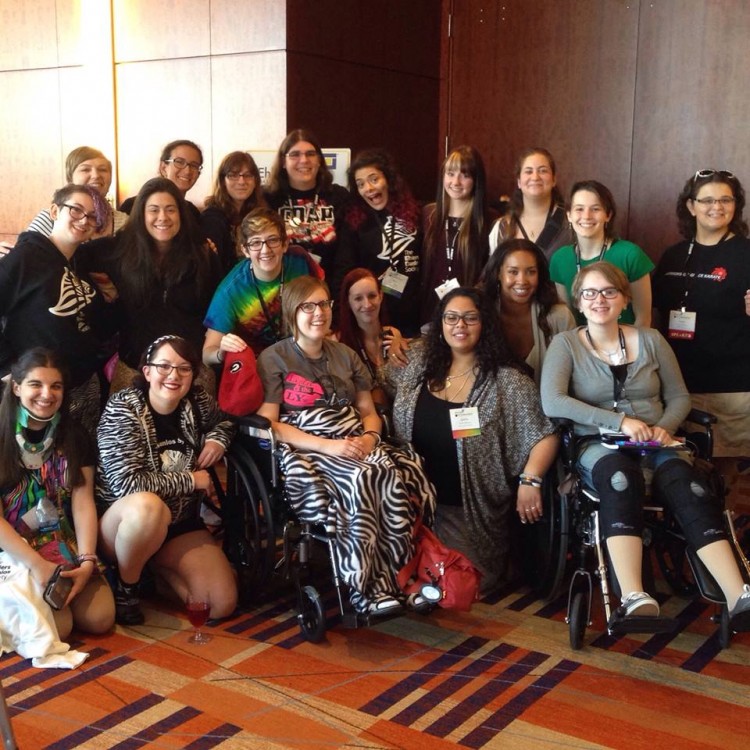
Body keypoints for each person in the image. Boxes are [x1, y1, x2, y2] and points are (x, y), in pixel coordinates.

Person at [541, 261, 750, 626]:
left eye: (609, 292)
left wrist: (661, 428)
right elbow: (554, 402)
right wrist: (621, 421)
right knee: (621, 479)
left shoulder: (652, 340)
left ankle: (738, 594)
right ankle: (634, 596)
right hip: (599, 445)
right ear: (579, 301)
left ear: (624, 299)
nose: (599, 299)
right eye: (590, 292)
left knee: (691, 487)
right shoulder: (565, 344)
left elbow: (680, 398)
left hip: (659, 443)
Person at [256, 276, 435, 615]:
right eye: (308, 306)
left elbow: (369, 412)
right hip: (310, 442)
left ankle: (403, 579)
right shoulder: (274, 358)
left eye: (323, 304)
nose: (318, 313)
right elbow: (269, 423)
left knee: (392, 474)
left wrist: (369, 439)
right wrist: (328, 447)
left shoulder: (346, 355)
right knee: (361, 480)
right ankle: (365, 589)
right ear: (293, 312)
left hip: (353, 435)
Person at [386, 287, 559, 593]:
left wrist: (530, 481)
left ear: (485, 324)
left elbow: (543, 433)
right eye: (451, 317)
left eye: (470, 318)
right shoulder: (417, 366)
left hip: (468, 511)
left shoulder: (508, 381)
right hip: (411, 504)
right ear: (440, 324)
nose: (459, 326)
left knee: (456, 586)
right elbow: (374, 382)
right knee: (392, 580)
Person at [96, 335, 236, 625]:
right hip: (124, 524)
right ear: (146, 371)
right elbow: (127, 485)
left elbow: (227, 419)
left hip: (178, 523)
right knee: (148, 506)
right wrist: (191, 481)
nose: (174, 375)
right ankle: (127, 589)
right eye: (164, 366)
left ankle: (150, 573)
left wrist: (217, 440)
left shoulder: (197, 402)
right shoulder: (123, 409)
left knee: (219, 605)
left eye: (184, 368)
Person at [0, 348, 115, 640]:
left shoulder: (75, 436)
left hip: (58, 540)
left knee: (100, 619)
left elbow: (82, 502)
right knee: (59, 629)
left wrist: (87, 560)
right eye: (35, 384)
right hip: (10, 548)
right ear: (16, 387)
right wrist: (36, 565)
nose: (46, 394)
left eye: (56, 386)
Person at [653, 169, 750, 479]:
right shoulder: (673, 256)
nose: (716, 207)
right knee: (679, 469)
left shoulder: (746, 254)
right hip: (675, 384)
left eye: (725, 200)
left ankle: (726, 526)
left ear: (736, 206)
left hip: (730, 385)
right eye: (707, 200)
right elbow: (654, 316)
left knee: (723, 472)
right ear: (691, 206)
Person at [0, 184, 118, 433]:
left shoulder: (82, 266)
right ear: (55, 211)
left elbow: (98, 328)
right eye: (76, 210)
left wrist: (112, 299)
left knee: (74, 465)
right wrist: (8, 367)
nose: (84, 220)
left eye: (93, 216)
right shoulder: (26, 257)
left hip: (81, 387)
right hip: (37, 391)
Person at [87, 177, 222, 393]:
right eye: (154, 210)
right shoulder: (117, 252)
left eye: (170, 210)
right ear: (141, 214)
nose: (162, 217)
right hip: (134, 369)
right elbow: (72, 252)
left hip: (190, 372)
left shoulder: (202, 255)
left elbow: (217, 312)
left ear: (181, 214)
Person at [202, 207, 323, 364]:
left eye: (272, 240)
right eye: (256, 243)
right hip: (259, 365)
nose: (265, 250)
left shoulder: (300, 260)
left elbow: (322, 298)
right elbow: (207, 354)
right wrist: (221, 352)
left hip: (305, 353)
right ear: (245, 250)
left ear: (285, 244)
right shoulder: (230, 291)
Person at [334, 149, 422, 335]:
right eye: (361, 184)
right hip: (373, 312)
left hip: (414, 313)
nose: (369, 188)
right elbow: (345, 270)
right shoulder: (355, 223)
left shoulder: (416, 213)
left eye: (374, 179)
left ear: (388, 179)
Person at [550, 180, 654, 326]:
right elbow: (566, 319)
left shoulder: (630, 255)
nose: (586, 216)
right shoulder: (560, 259)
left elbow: (643, 319)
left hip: (624, 344)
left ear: (608, 215)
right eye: (579, 209)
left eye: (595, 209)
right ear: (568, 215)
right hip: (578, 345)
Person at [480, 238, 575, 385]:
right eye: (513, 272)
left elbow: (575, 375)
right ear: (498, 273)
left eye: (531, 272)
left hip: (549, 406)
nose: (522, 280)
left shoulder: (559, 316)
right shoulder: (480, 315)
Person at [265, 129, 349, 285]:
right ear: (283, 162)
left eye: (310, 154)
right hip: (280, 290)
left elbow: (345, 256)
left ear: (319, 160)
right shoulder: (268, 198)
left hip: (327, 289)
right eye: (295, 154)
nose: (304, 160)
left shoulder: (338, 196)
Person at [420, 145, 494, 324]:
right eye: (450, 173)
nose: (456, 182)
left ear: (476, 180)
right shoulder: (428, 214)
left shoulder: (490, 220)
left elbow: (491, 274)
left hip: (469, 315)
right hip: (429, 312)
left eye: (465, 175)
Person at [336, 268, 408, 406]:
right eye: (358, 298)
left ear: (381, 296)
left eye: (372, 296)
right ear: (348, 302)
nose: (367, 304)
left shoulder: (393, 334)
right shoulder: (338, 342)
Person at [26, 146, 127, 239]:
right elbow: (25, 254)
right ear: (70, 178)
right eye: (85, 169)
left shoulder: (125, 223)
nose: (96, 175)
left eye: (103, 170)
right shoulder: (51, 218)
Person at [488, 147, 569, 259]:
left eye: (543, 171)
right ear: (519, 182)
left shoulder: (570, 222)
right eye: (528, 171)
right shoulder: (502, 227)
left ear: (554, 179)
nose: (535, 177)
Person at [201, 150, 267, 276]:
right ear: (223, 181)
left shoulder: (259, 215)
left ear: (255, 181)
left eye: (248, 175)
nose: (242, 181)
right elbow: (212, 269)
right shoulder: (212, 219)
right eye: (233, 175)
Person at [119, 140, 204, 223]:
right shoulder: (133, 206)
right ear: (163, 168)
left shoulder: (192, 212)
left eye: (194, 165)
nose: (187, 171)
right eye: (179, 162)